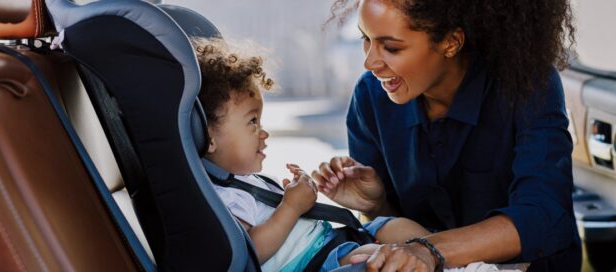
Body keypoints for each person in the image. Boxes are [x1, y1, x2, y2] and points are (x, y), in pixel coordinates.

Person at [313, 0, 580, 271]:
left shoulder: (526, 84)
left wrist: (428, 250)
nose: (370, 62)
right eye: (366, 39)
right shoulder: (370, 97)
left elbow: (544, 217)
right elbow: (397, 241)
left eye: (391, 47)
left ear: (450, 43)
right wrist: (376, 204)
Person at [192, 37, 431, 271]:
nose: (263, 132)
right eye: (252, 121)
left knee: (395, 228)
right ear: (208, 137)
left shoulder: (248, 182)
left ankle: (446, 258)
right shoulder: (224, 198)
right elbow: (248, 253)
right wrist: (291, 207)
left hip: (332, 242)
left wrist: (292, 197)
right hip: (314, 263)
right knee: (375, 259)